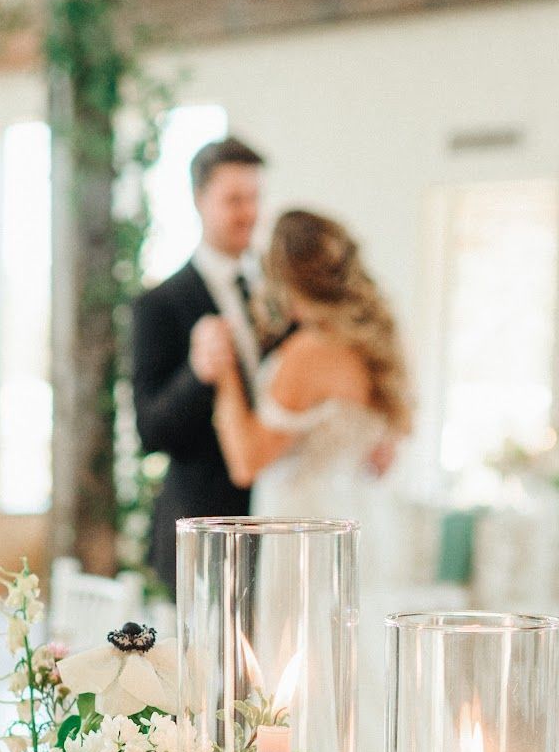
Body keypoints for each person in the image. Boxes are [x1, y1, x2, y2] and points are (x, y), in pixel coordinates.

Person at [195, 208, 412, 522]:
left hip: (302, 528)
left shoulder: (310, 351)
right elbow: (381, 462)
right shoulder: (383, 342)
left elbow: (246, 464)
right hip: (359, 517)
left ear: (285, 277)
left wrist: (224, 369)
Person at [130, 133, 268, 594]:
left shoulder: (281, 294)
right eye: (233, 199)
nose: (247, 212)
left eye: (253, 198)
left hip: (278, 523)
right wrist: (198, 375)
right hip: (204, 529)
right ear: (198, 199)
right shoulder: (161, 304)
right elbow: (150, 430)